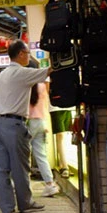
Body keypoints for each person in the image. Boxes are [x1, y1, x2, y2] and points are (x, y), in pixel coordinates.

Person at [0, 41, 51, 213]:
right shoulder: (21, 72)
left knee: (2, 170)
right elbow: (47, 72)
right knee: (20, 167)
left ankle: (7, 208)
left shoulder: (2, 74)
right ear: (20, 54)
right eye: (27, 53)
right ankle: (25, 202)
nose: (28, 56)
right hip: (13, 124)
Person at [28, 60, 60, 197]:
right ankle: (49, 183)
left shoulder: (25, 86)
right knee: (41, 154)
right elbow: (46, 105)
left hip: (28, 122)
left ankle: (25, 185)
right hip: (41, 121)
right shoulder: (42, 86)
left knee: (25, 155)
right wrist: (46, 124)